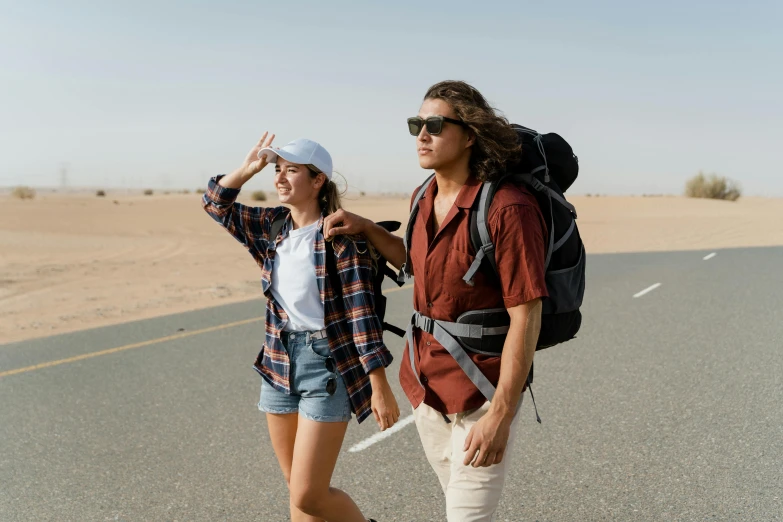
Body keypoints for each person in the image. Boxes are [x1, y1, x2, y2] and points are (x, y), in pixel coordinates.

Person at [324, 81, 548, 521]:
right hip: (426, 388)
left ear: (469, 135)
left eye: (435, 124)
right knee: (457, 508)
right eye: (416, 124)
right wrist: (368, 228)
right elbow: (417, 260)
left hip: (482, 391)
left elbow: (527, 315)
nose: (421, 135)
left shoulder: (508, 208)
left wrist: (502, 413)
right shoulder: (422, 196)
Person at [202, 133, 398, 522]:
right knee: (297, 492)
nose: (279, 178)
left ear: (318, 180)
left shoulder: (341, 237)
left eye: (291, 170)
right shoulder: (273, 227)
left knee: (309, 495)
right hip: (277, 362)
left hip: (326, 365)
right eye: (277, 170)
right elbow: (215, 204)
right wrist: (248, 169)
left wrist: (379, 385)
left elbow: (361, 314)